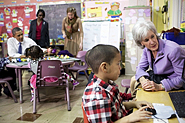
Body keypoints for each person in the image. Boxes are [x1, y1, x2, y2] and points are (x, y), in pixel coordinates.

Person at [82, 44, 154, 123]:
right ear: (104, 67)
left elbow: (117, 107)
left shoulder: (108, 84)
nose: (120, 67)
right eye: (118, 63)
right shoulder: (97, 96)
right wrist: (130, 118)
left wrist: (134, 104)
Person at [130, 20, 185, 96]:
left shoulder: (174, 50)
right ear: (141, 43)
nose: (152, 42)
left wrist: (159, 86)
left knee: (139, 86)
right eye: (146, 40)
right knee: (135, 81)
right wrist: (143, 80)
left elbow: (182, 79)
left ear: (155, 34)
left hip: (174, 83)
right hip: (160, 76)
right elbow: (140, 68)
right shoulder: (147, 49)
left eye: (152, 36)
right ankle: (134, 102)